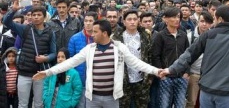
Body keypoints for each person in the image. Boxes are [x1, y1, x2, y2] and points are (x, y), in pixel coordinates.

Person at [159, 5, 229, 108]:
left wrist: (170, 69)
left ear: (220, 19)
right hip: (227, 92)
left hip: (207, 90)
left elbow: (188, 56)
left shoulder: (207, 36)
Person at [33, 19, 162, 108]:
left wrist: (156, 71)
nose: (92, 34)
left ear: (104, 33)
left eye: (95, 32)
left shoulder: (119, 48)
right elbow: (70, 62)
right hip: (92, 98)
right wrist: (48, 72)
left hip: (112, 98)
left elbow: (137, 63)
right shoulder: (89, 49)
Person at [4, 0, 56, 108]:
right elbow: (7, 22)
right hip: (24, 72)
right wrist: (13, 10)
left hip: (40, 72)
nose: (36, 17)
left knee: (38, 104)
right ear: (31, 17)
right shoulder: (25, 29)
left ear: (44, 17)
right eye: (34, 15)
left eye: (39, 15)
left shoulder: (50, 32)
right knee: (22, 104)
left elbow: (53, 53)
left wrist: (45, 59)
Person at [113, 10, 153, 108]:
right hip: (124, 80)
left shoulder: (145, 35)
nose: (132, 22)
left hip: (141, 80)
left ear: (138, 20)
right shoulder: (116, 38)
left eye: (135, 19)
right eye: (129, 19)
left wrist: (150, 77)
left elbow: (150, 56)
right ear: (124, 21)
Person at [151, 7, 189, 108]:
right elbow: (155, 56)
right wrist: (161, 74)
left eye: (178, 17)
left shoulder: (183, 35)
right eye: (173, 17)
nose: (177, 19)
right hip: (166, 77)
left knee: (180, 105)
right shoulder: (160, 36)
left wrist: (186, 72)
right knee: (164, 105)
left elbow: (188, 55)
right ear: (166, 19)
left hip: (181, 76)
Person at [68, 11, 97, 108]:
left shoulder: (100, 38)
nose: (88, 23)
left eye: (91, 21)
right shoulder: (75, 38)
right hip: (80, 80)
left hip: (95, 81)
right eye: (86, 21)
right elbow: (70, 60)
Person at [186, 11, 213, 108]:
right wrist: (187, 72)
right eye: (202, 21)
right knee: (192, 102)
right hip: (194, 74)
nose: (204, 24)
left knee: (207, 103)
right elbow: (186, 56)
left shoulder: (214, 36)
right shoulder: (190, 36)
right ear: (198, 22)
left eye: (207, 22)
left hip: (210, 75)